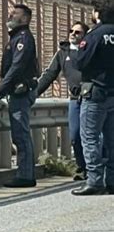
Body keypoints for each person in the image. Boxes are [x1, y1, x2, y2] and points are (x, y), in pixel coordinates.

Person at [0, 4, 39, 188]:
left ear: (25, 18)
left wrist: (2, 88)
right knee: (20, 134)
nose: (10, 14)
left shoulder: (23, 38)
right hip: (17, 91)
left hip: (21, 91)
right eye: (11, 11)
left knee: (21, 134)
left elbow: (17, 66)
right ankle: (25, 173)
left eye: (15, 13)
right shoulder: (15, 38)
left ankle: (26, 175)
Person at [71, 0, 114, 196]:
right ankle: (112, 180)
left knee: (89, 137)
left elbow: (80, 62)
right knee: (111, 139)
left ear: (97, 13)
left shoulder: (95, 35)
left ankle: (95, 180)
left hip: (96, 92)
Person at [37, 21, 89, 180]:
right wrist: (34, 93)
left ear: (85, 36)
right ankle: (82, 167)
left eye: (78, 32)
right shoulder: (63, 53)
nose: (73, 34)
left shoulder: (89, 51)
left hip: (91, 98)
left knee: (92, 136)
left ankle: (96, 169)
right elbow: (50, 74)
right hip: (75, 99)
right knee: (75, 135)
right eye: (71, 30)